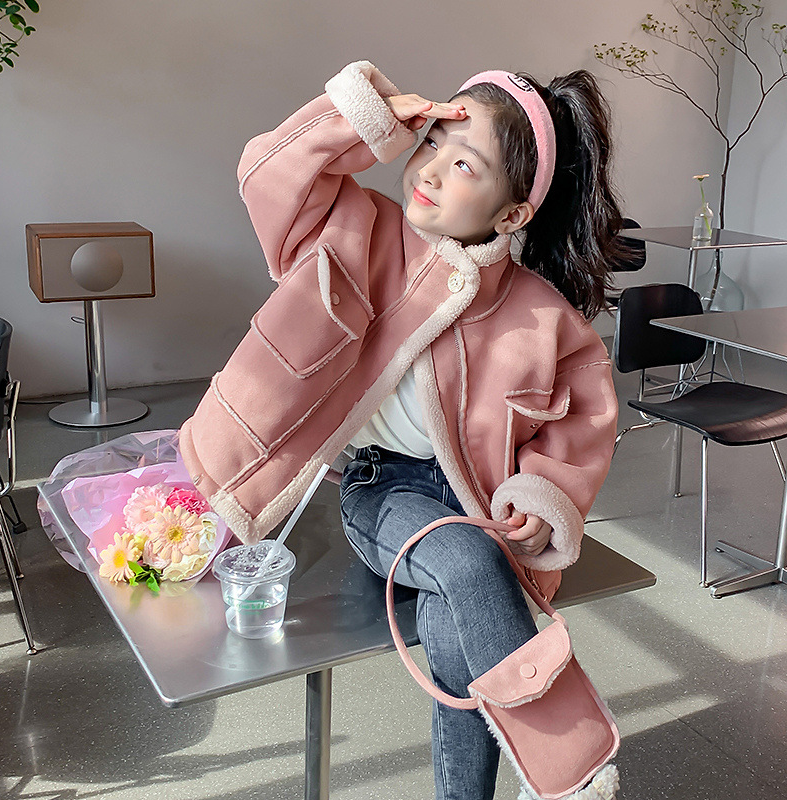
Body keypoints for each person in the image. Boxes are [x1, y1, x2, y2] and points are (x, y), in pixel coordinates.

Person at [178, 61, 624, 800]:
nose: (432, 171)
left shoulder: (544, 316)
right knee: (468, 564)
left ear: (512, 215)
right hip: (384, 490)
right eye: (432, 145)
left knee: (456, 640)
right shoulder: (359, 229)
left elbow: (582, 421)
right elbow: (265, 173)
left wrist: (541, 495)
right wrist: (364, 116)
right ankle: (570, 768)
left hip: (481, 506)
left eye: (465, 165)